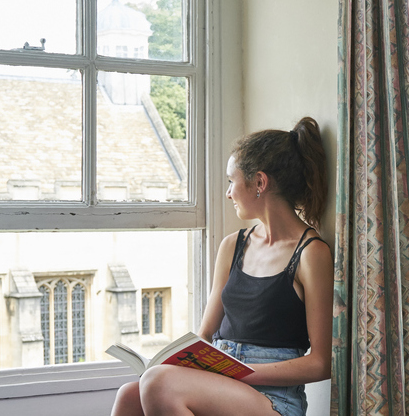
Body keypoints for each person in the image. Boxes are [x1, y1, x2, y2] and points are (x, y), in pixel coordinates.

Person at [110, 117, 334, 416]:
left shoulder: (311, 253)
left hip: (273, 398)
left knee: (159, 384)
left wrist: (241, 372)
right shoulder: (233, 246)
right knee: (130, 395)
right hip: (221, 377)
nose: (228, 192)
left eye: (232, 181)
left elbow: (320, 363)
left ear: (259, 183)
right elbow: (204, 334)